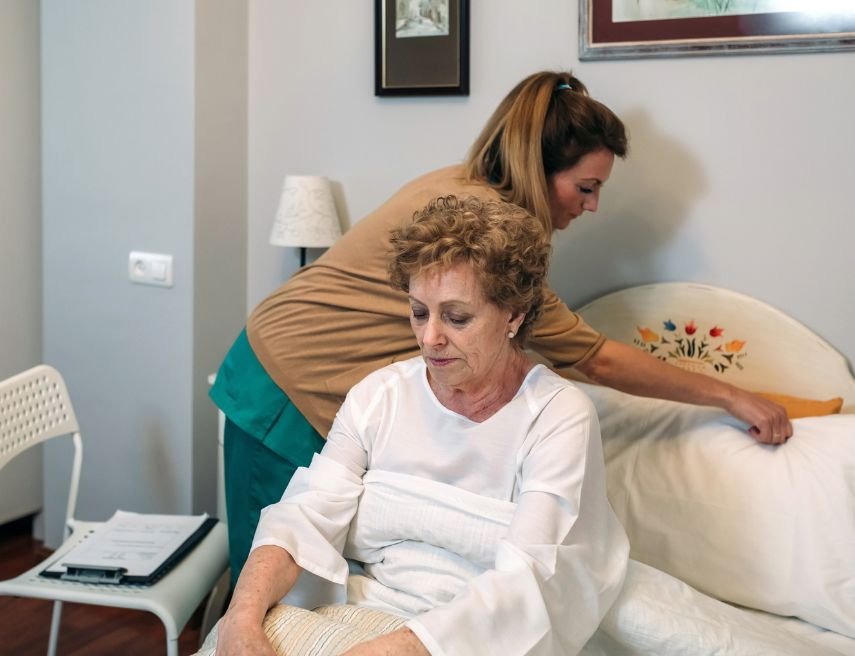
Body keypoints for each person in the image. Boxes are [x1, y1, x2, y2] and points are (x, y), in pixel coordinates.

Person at [210, 69, 791, 585]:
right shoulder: (483, 231)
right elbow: (599, 359)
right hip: (285, 372)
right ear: (540, 171)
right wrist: (732, 396)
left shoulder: (462, 187)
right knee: (272, 572)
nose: (590, 208)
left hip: (292, 358)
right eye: (585, 188)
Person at [212, 195, 630, 656]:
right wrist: (241, 619)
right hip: (362, 610)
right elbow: (306, 515)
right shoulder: (379, 396)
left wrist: (386, 651)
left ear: (513, 314)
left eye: (457, 317)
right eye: (418, 312)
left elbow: (530, 577)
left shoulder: (557, 416)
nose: (430, 338)